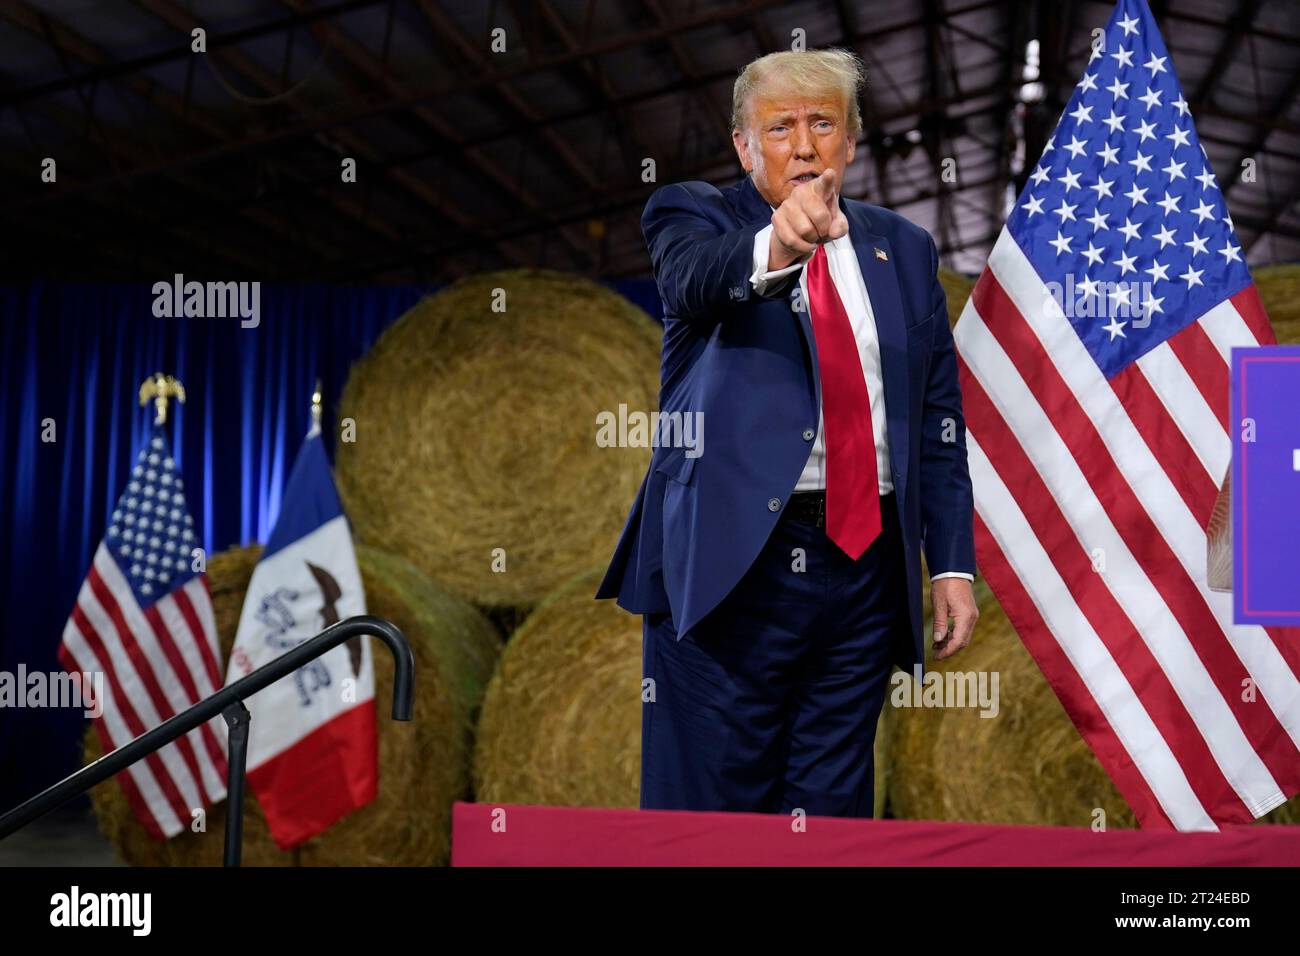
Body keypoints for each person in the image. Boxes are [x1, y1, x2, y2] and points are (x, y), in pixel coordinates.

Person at [596, 48, 978, 817]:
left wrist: (951, 566)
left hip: (866, 573)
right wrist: (779, 243)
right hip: (732, 570)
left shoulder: (905, 250)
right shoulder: (692, 215)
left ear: (853, 138)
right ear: (745, 146)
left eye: (823, 123)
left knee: (831, 813)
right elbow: (695, 279)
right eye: (779, 127)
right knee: (711, 816)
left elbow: (937, 418)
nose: (803, 145)